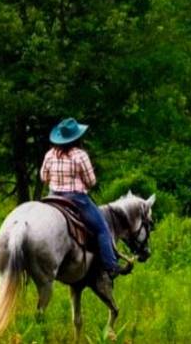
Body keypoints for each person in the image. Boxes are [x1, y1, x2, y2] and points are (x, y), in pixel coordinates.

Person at [40, 117, 131, 278]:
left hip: (52, 197)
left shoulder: (50, 154)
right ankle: (111, 266)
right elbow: (91, 181)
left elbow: (43, 177)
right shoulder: (80, 155)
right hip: (76, 199)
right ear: (76, 138)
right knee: (102, 228)